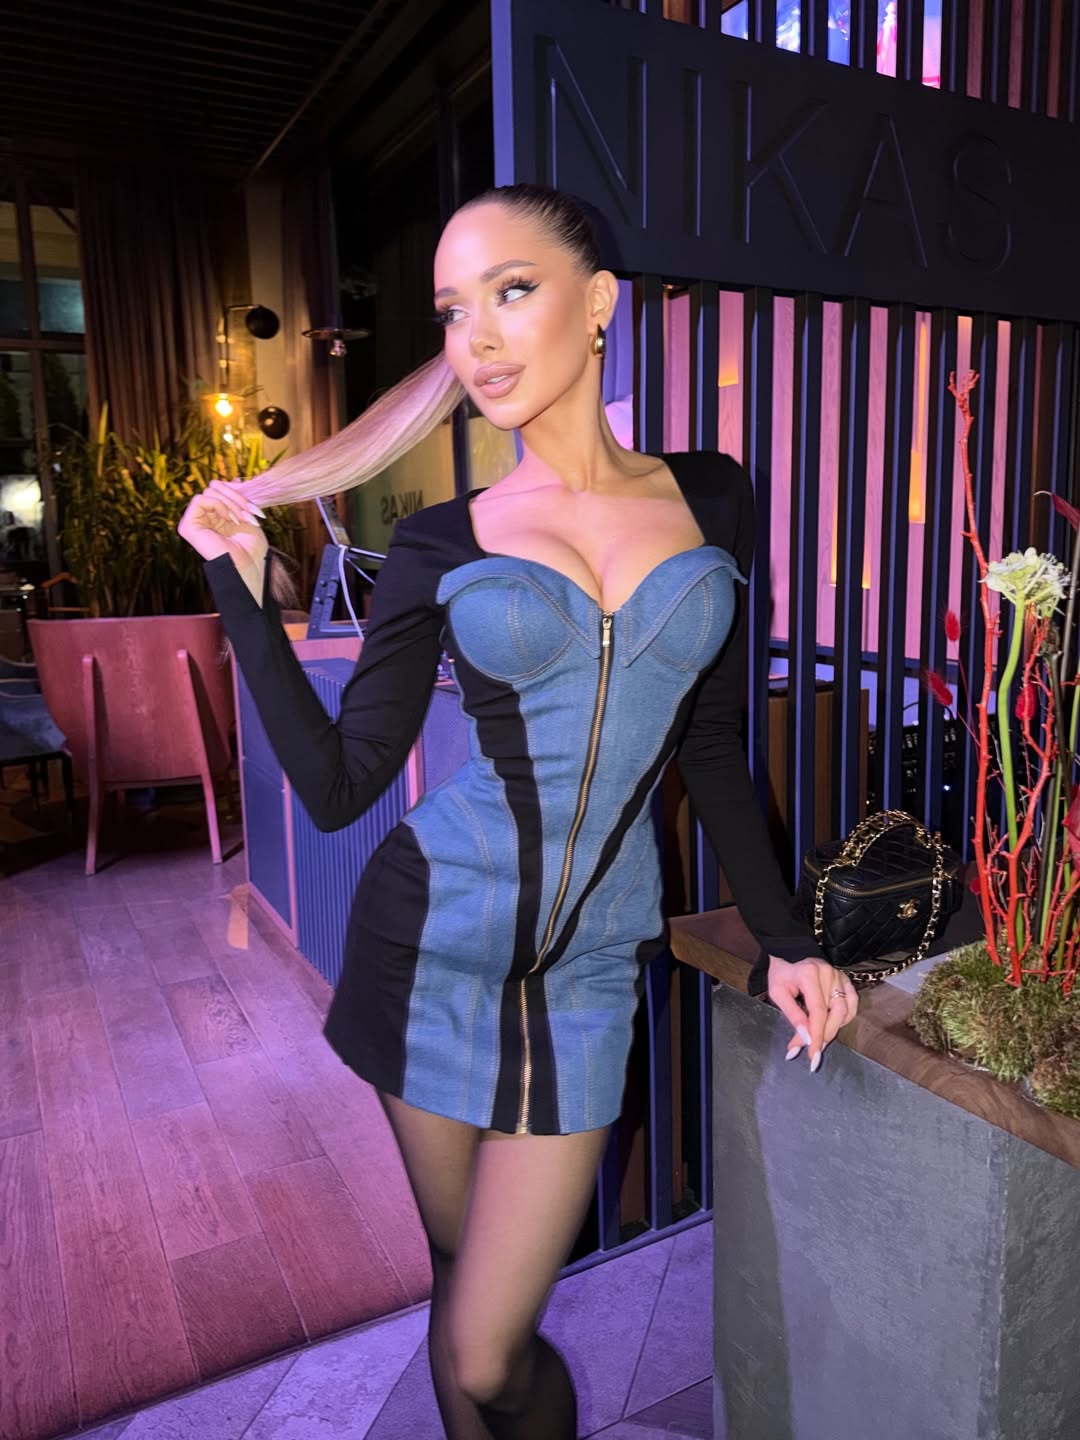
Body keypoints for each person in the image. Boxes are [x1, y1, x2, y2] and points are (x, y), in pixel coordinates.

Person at [178, 183, 858, 1440]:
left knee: (490, 1351)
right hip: (428, 949)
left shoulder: (715, 497)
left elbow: (713, 744)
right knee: (465, 1305)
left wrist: (786, 941)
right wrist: (236, 586)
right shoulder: (443, 543)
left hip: (590, 975)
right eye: (451, 310)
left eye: (510, 291)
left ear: (597, 304)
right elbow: (338, 785)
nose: (475, 338)